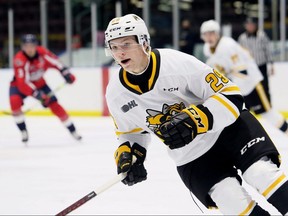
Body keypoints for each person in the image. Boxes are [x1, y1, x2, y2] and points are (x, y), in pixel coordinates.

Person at [104, 14, 288, 215]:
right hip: (191, 155)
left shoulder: (176, 63)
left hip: (230, 130)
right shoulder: (115, 94)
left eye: (126, 44)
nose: (120, 52)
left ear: (144, 42)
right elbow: (130, 133)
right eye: (114, 47)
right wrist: (130, 156)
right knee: (232, 201)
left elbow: (231, 95)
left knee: (262, 174)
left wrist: (196, 119)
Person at [200, 20, 288, 135]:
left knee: (267, 113)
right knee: (239, 117)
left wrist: (226, 79)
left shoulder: (227, 45)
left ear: (217, 33)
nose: (209, 37)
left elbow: (242, 70)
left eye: (211, 33)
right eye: (205, 34)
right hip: (239, 89)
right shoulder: (208, 48)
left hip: (252, 84)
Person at [10, 34, 82, 143]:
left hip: (40, 84)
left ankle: (73, 130)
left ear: (36, 46)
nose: (29, 49)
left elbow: (56, 62)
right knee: (14, 102)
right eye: (26, 46)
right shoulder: (19, 59)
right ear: (22, 47)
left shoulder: (42, 53)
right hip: (19, 86)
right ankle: (23, 131)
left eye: (31, 46)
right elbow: (22, 83)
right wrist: (37, 95)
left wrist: (65, 73)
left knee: (54, 104)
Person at [238, 17, 274, 103]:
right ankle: (253, 107)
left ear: (255, 26)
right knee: (250, 88)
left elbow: (268, 50)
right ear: (245, 26)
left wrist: (271, 65)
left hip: (261, 66)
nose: (250, 26)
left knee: (264, 87)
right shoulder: (242, 38)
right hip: (248, 68)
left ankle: (268, 108)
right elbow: (239, 53)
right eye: (248, 25)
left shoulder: (262, 36)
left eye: (252, 25)